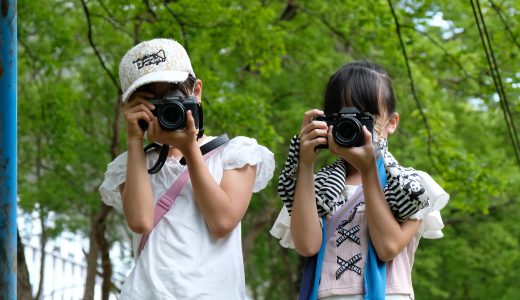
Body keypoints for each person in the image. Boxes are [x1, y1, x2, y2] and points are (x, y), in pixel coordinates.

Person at [99, 38, 275, 299]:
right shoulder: (132, 163)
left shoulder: (234, 154)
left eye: (172, 95)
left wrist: (190, 149)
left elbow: (222, 221)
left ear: (197, 92)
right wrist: (134, 141)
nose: (166, 108)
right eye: (151, 101)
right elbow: (140, 221)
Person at [270, 61, 449, 299]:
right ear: (326, 122)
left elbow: (387, 248)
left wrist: (368, 171)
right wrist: (304, 164)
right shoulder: (315, 187)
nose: (353, 125)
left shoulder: (411, 187)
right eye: (342, 116)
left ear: (392, 123)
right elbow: (307, 245)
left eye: (366, 117)